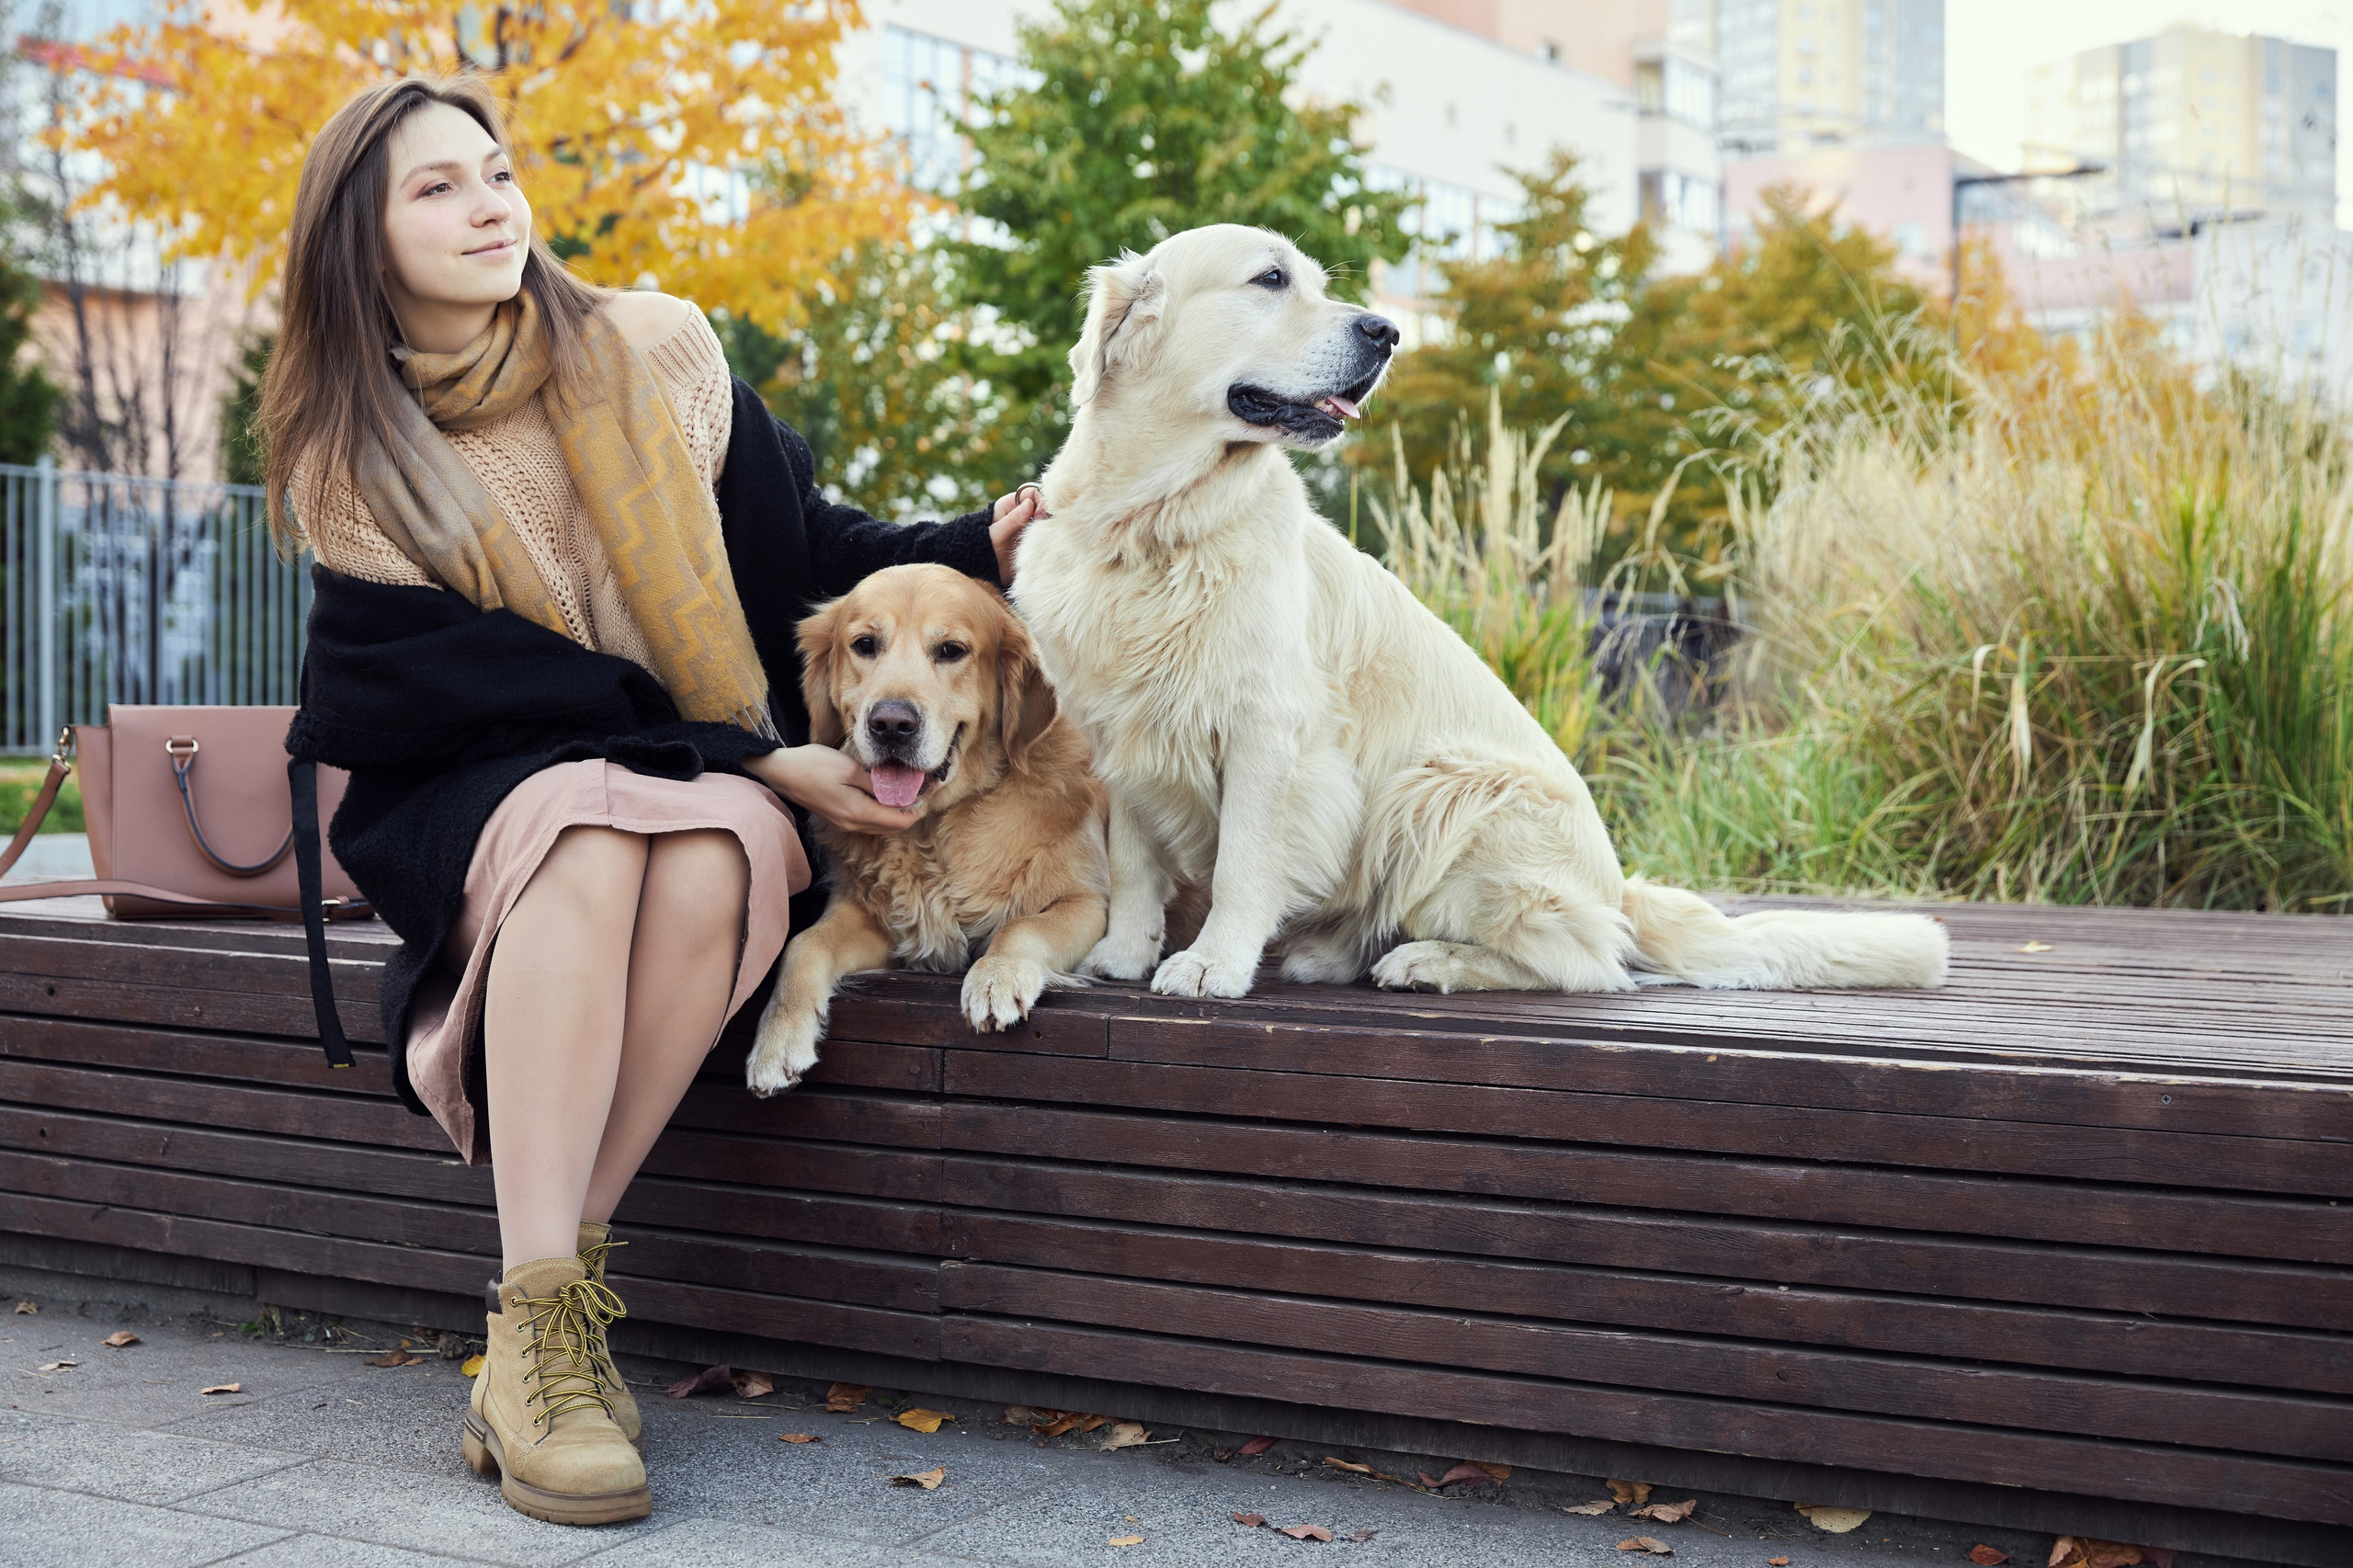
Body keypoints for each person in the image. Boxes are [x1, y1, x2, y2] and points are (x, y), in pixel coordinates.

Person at [270, 75, 1036, 1527]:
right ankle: (552, 1322)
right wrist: (746, 754)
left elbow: (800, 542)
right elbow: (465, 689)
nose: (489, 204)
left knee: (703, 854)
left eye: (495, 173)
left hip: (680, 765)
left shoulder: (659, 349)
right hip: (475, 780)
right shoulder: (353, 460)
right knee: (601, 826)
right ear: (358, 246)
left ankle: (540, 1316)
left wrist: (969, 542)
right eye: (436, 188)